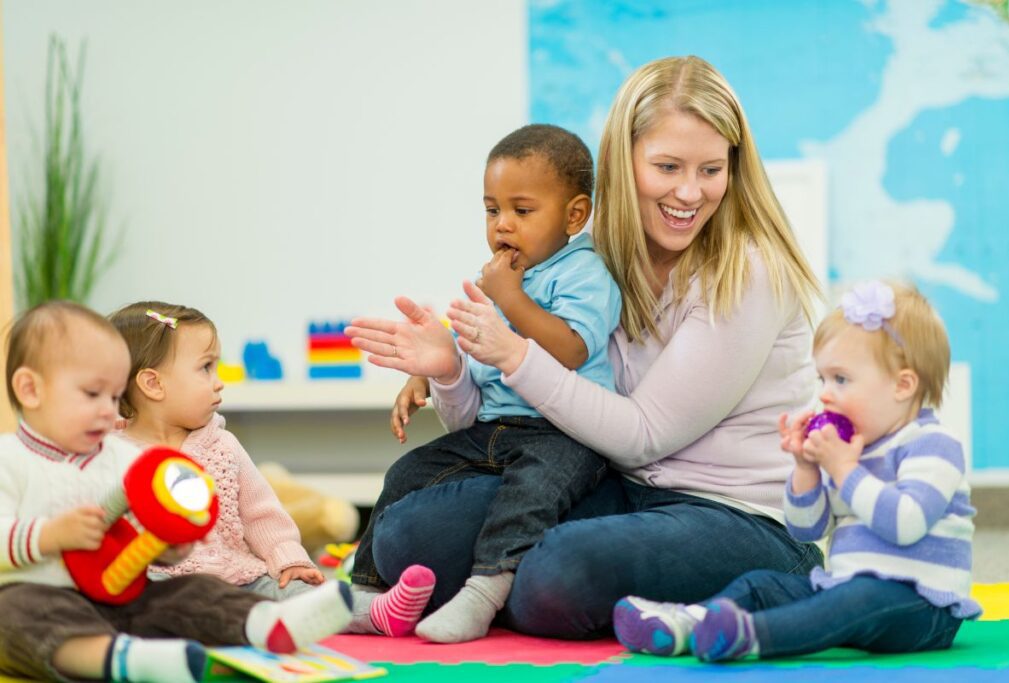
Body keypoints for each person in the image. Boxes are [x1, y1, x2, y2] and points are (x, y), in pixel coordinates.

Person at [344, 55, 824, 640]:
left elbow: (645, 433)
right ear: (625, 165)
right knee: (407, 539)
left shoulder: (749, 271)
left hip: (735, 513)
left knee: (559, 573)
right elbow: (492, 412)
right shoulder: (588, 257)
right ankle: (514, 589)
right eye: (667, 166)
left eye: (711, 170)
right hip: (617, 487)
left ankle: (776, 585)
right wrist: (449, 369)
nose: (690, 192)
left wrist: (516, 354)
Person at [347, 123, 622, 643]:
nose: (503, 226)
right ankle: (366, 592)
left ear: (574, 215)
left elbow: (570, 349)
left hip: (563, 436)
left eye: (522, 211)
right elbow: (477, 356)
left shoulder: (582, 273)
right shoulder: (503, 279)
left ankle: (485, 591)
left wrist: (511, 297)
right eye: (493, 210)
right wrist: (429, 374)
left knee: (528, 496)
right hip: (496, 429)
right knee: (409, 470)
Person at [614, 280, 979, 661]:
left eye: (841, 379)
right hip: (845, 588)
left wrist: (844, 470)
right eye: (822, 378)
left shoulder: (933, 445)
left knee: (858, 597)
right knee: (762, 585)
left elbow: (906, 523)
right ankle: (689, 623)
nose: (824, 393)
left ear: (902, 385)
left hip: (923, 605)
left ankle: (751, 637)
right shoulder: (851, 451)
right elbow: (807, 530)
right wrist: (806, 468)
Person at [0, 301, 353, 683]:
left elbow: (143, 533)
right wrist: (49, 535)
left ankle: (265, 623)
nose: (108, 410)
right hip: (50, 603)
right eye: (92, 394)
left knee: (192, 590)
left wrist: (170, 544)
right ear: (30, 390)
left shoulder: (119, 457)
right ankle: (120, 660)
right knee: (14, 612)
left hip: (125, 600)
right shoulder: (10, 460)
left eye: (114, 396)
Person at [110, 301, 325, 600]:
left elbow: (261, 515)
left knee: (306, 594)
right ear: (153, 384)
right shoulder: (109, 455)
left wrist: (289, 560)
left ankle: (377, 611)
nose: (219, 382)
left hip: (238, 578)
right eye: (206, 368)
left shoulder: (222, 445)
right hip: (158, 583)